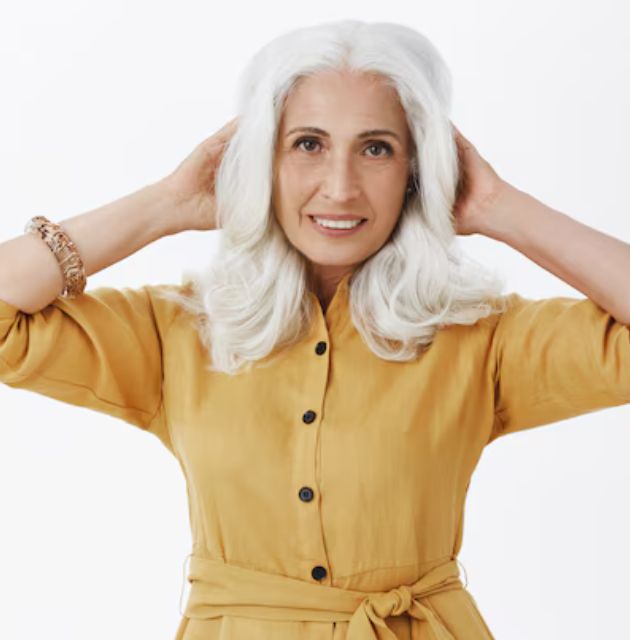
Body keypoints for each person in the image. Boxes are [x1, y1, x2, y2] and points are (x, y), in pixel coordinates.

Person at [2, 18, 630, 640]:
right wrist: (165, 204)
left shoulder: (480, 338)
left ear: (417, 168)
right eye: (308, 143)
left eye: (376, 148)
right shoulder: (179, 331)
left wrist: (500, 208)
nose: (339, 187)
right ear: (262, 160)